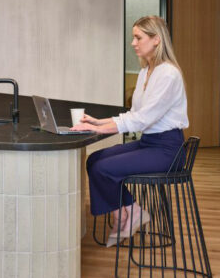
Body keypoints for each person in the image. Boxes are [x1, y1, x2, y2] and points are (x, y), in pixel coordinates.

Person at [71, 15, 188, 246]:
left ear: (156, 40)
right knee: (94, 160)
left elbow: (142, 120)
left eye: (138, 37)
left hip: (167, 149)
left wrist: (101, 129)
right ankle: (128, 212)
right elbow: (133, 114)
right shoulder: (146, 72)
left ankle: (127, 213)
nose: (133, 43)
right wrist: (97, 122)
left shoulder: (168, 74)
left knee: (104, 168)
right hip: (149, 144)